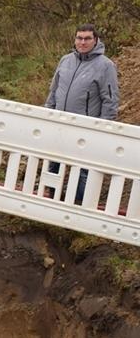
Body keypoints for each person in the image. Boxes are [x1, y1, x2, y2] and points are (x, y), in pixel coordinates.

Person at [44, 23, 119, 203]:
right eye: (79, 38)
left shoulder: (105, 66)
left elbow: (110, 100)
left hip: (86, 128)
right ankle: (50, 199)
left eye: (87, 39)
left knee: (83, 169)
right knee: (54, 162)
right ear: (75, 39)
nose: (83, 42)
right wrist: (48, 113)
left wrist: (102, 127)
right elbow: (53, 91)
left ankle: (79, 204)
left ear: (96, 40)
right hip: (60, 123)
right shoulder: (65, 60)